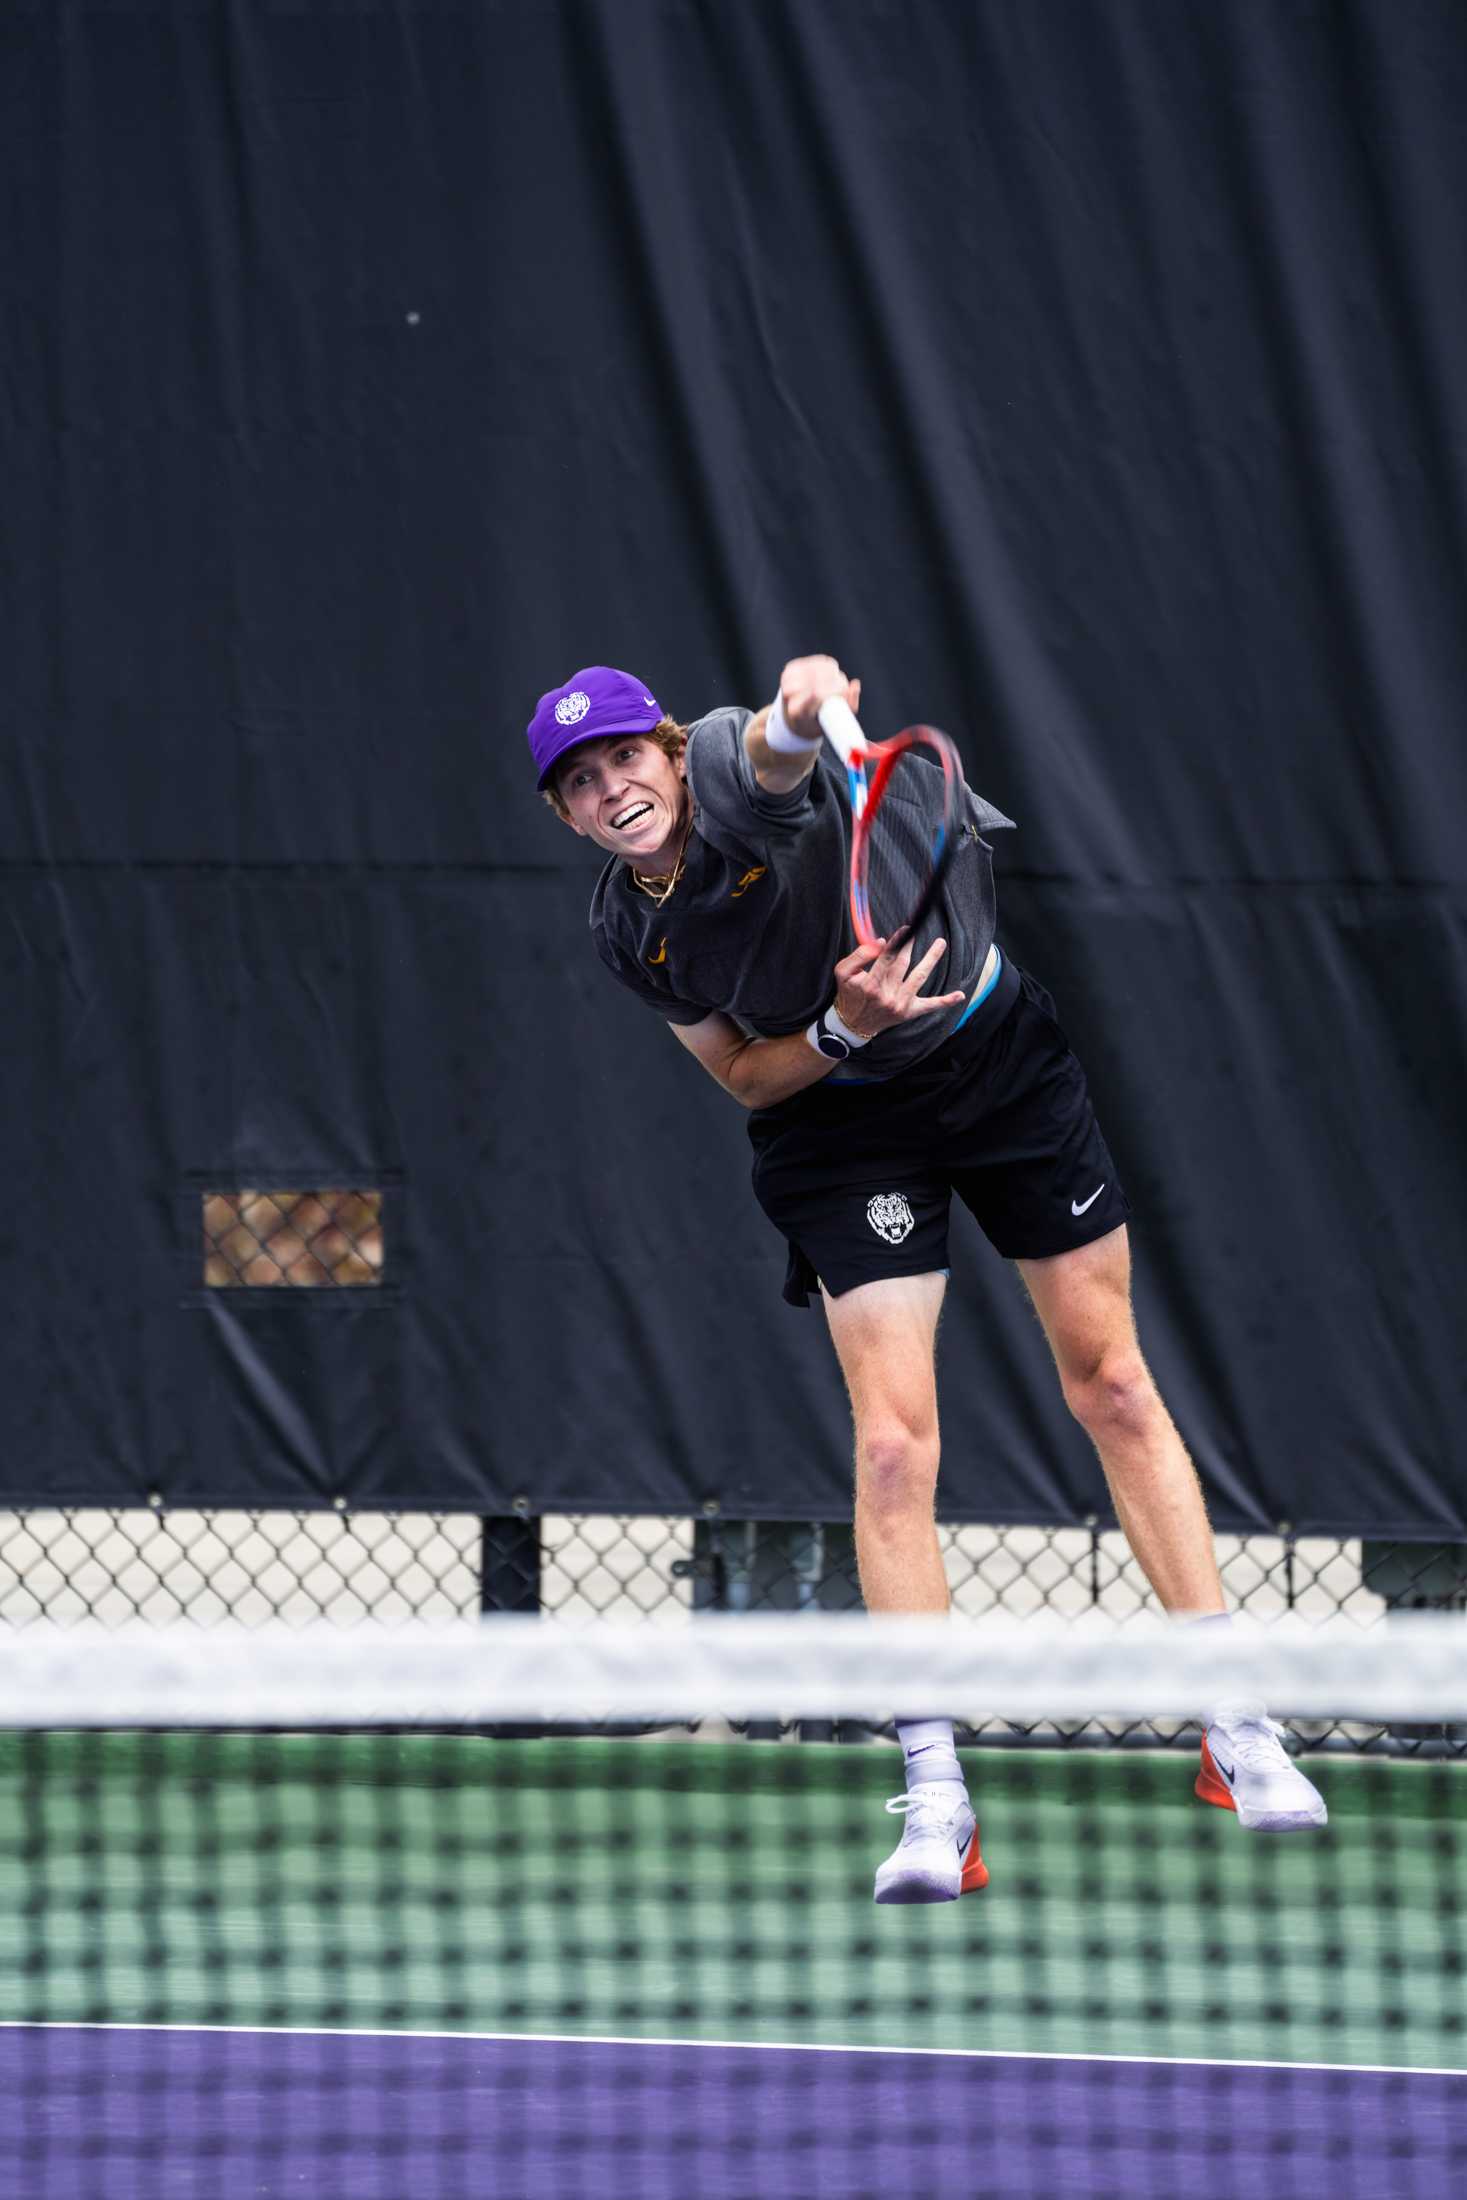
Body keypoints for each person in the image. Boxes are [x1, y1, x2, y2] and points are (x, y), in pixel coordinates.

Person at [528, 655, 1326, 1902]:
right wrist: (844, 1028)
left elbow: (785, 744)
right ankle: (939, 1798)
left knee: (1112, 1381)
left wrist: (800, 702)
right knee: (895, 1447)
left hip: (994, 1060)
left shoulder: (736, 767)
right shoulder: (631, 932)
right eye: (579, 782)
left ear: (673, 751)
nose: (611, 786)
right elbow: (744, 1076)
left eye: (626, 755)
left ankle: (1234, 1722)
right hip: (842, 1119)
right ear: (567, 815)